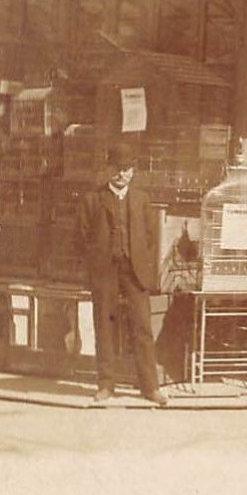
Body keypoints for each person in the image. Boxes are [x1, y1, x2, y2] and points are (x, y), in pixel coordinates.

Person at [76, 143, 167, 406]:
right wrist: (96, 262)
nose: (121, 173)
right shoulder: (92, 199)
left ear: (133, 172)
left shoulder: (141, 199)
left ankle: (150, 387)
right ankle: (105, 385)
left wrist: (140, 261)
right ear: (109, 169)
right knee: (104, 325)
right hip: (105, 271)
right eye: (116, 168)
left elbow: (149, 237)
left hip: (134, 271)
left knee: (142, 327)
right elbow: (81, 238)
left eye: (126, 168)